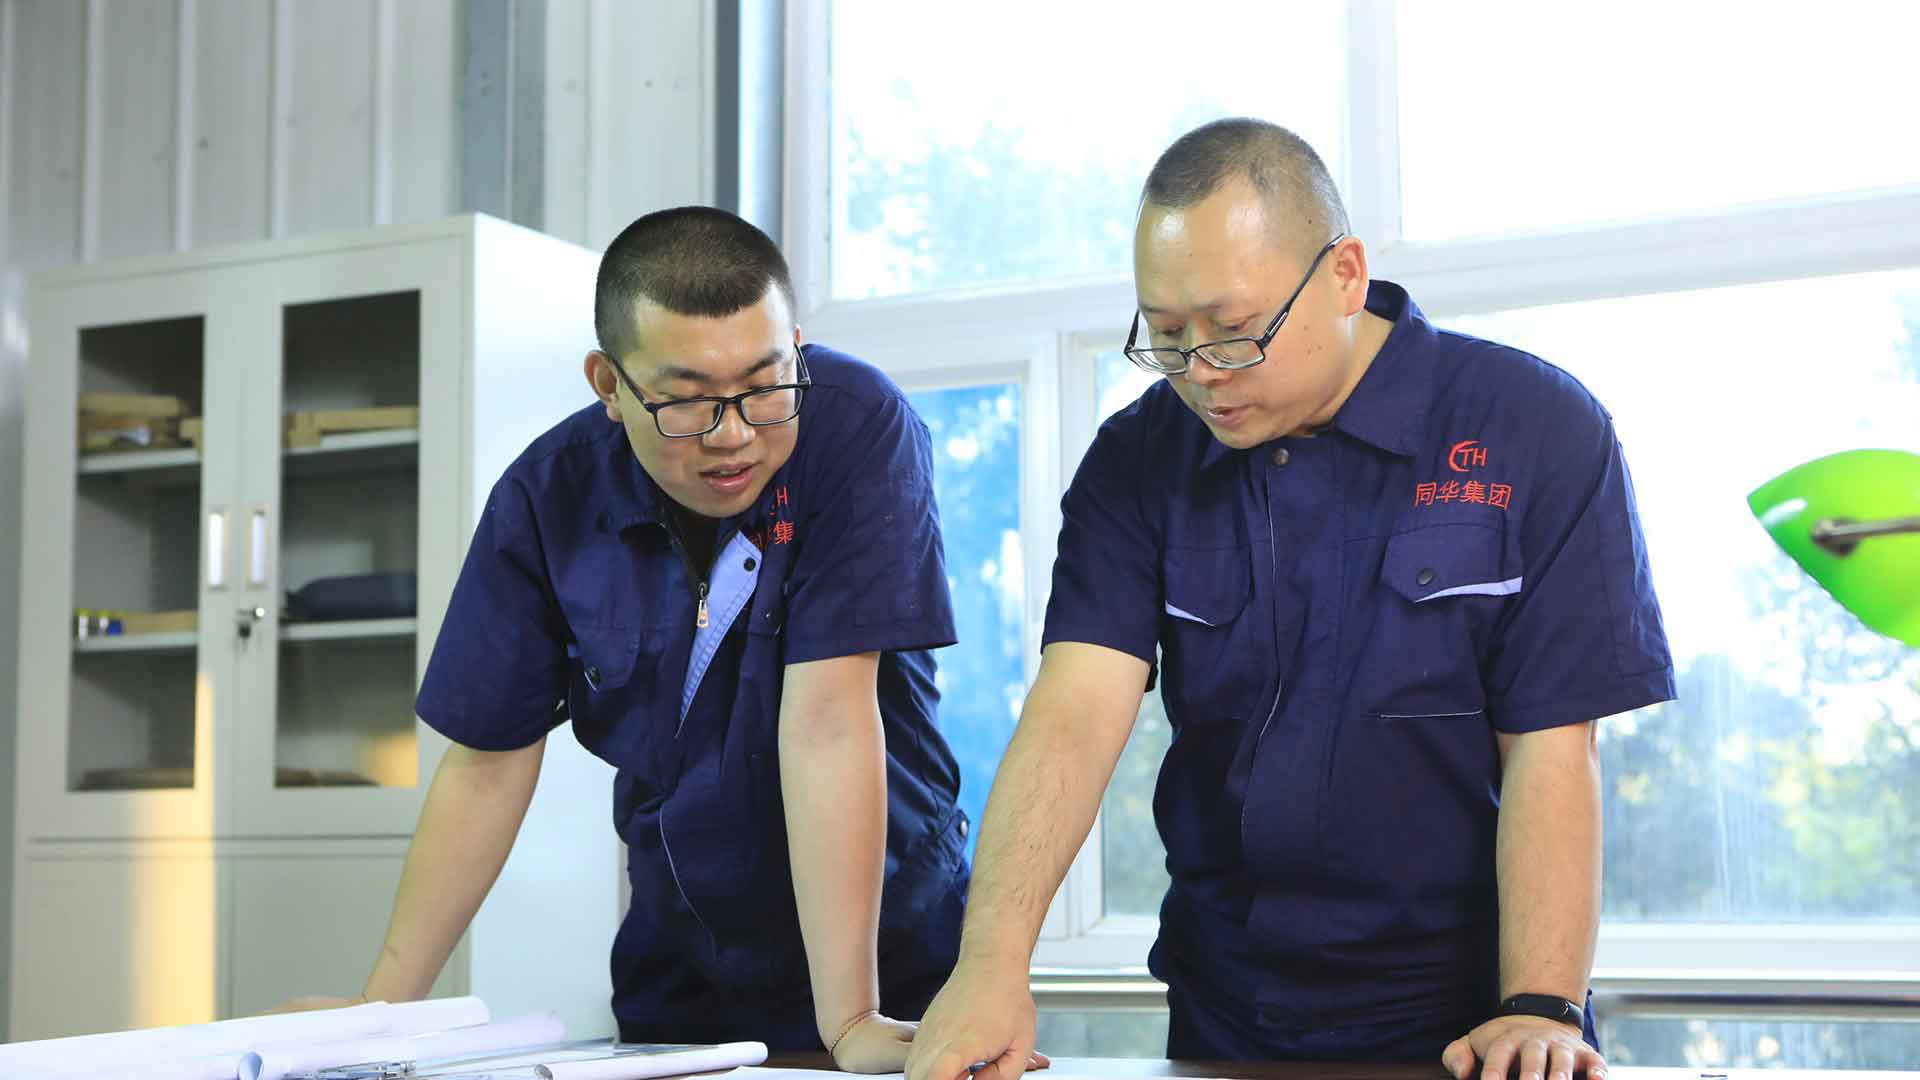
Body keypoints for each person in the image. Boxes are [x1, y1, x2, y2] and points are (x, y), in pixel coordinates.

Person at [907, 119, 1675, 1080]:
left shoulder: (1537, 429)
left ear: (1344, 275)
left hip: (1469, 1025)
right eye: (1168, 337)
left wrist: (1540, 1006)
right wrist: (989, 963)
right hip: (1229, 1012)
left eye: (1234, 333)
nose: (1201, 375)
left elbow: (1553, 747)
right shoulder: (1138, 458)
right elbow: (1073, 712)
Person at [284, 207, 977, 1072]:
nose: (732, 435)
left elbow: (828, 722)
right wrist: (381, 1011)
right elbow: (489, 763)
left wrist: (851, 1019)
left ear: (796, 350)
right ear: (608, 385)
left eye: (765, 385)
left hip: (891, 949)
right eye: (686, 401)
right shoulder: (547, 498)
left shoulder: (855, 426)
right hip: (685, 951)